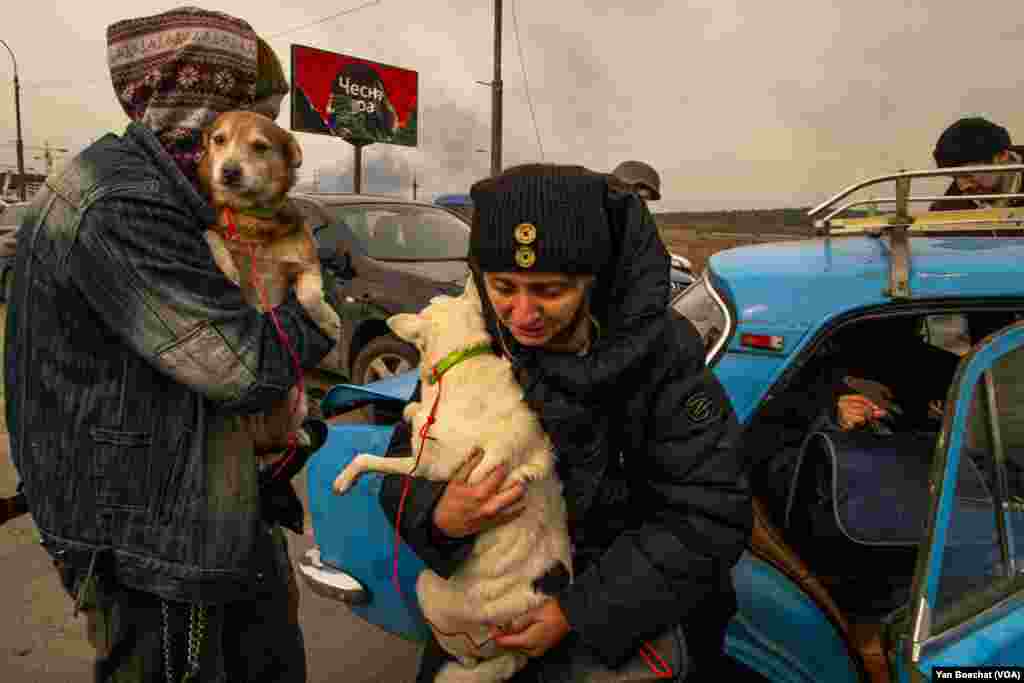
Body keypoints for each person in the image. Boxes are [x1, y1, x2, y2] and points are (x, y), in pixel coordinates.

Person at [4, 7, 336, 682]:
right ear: (201, 112)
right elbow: (247, 368)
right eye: (249, 120)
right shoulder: (122, 202)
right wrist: (320, 324)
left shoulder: (167, 191)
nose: (248, 153)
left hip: (206, 509)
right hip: (152, 540)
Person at [379, 164, 751, 681]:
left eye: (550, 290)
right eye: (503, 286)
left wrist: (578, 612)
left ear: (594, 280)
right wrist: (437, 514)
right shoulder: (467, 337)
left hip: (614, 631)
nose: (522, 314)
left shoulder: (662, 358)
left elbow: (711, 512)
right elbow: (406, 459)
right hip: (489, 619)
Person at [930, 117, 1024, 211]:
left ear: (1002, 156)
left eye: (967, 175)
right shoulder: (945, 208)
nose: (962, 187)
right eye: (954, 177)